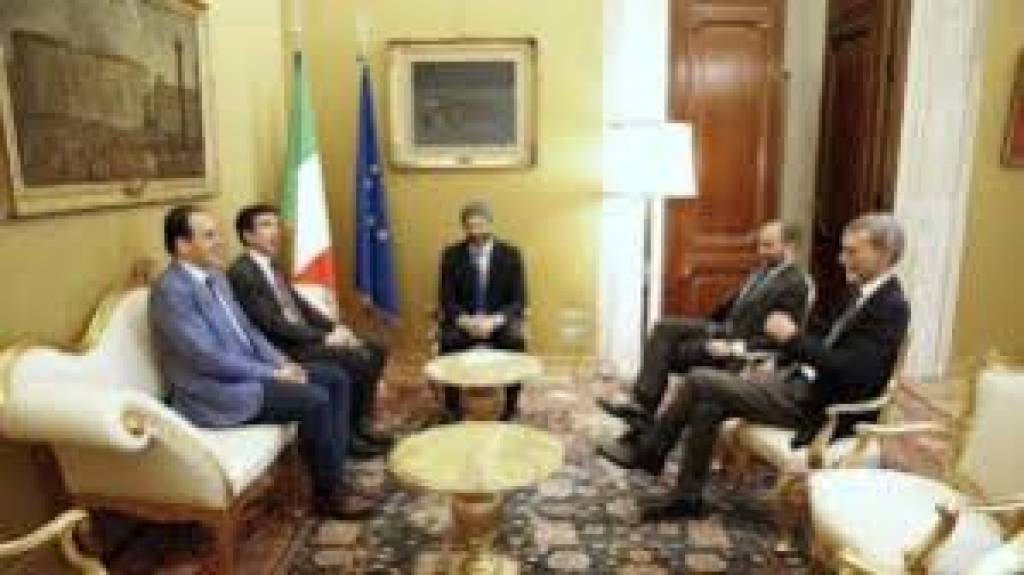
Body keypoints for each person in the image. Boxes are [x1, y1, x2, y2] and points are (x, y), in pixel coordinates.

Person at [600, 213, 910, 521]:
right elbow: (821, 341)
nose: (842, 260)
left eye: (852, 252)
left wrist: (791, 339)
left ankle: (649, 453)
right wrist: (784, 358)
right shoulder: (858, 294)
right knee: (708, 400)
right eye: (843, 251)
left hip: (820, 408)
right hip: (796, 384)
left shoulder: (890, 307)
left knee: (699, 380)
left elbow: (855, 373)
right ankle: (687, 498)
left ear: (883, 253)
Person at [149, 205, 377, 519]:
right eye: (209, 236)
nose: (220, 242)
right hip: (216, 391)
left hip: (251, 373)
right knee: (315, 398)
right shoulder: (171, 292)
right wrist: (271, 373)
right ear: (182, 245)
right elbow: (206, 358)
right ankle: (328, 496)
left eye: (218, 234)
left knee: (334, 377)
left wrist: (281, 362)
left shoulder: (216, 277)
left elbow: (249, 331)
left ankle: (335, 472)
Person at [598, 221, 811, 426]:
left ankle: (643, 412)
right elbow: (731, 307)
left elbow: (782, 339)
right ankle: (642, 407)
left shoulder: (795, 283)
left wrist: (734, 348)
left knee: (667, 354)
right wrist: (710, 328)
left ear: (789, 246)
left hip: (741, 351)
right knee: (664, 329)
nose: (760, 251)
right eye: (760, 245)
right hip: (723, 331)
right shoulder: (762, 273)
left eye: (768, 245)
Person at [227, 204, 392, 458]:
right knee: (356, 358)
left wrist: (335, 328)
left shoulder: (271, 265)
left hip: (303, 338)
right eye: (266, 225)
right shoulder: (242, 272)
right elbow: (272, 324)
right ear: (247, 236)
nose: (276, 231)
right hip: (282, 349)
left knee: (376, 349)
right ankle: (347, 437)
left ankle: (361, 424)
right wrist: (325, 337)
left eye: (277, 224)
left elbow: (301, 306)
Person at [438, 201, 527, 420]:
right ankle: (452, 408)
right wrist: (466, 321)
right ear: (464, 228)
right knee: (448, 341)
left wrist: (493, 321)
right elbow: (447, 299)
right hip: (465, 321)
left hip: (498, 322)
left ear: (490, 224)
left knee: (515, 340)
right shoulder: (451, 255)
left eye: (480, 225)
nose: (476, 232)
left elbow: (519, 300)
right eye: (470, 227)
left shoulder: (511, 254)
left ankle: (510, 407)